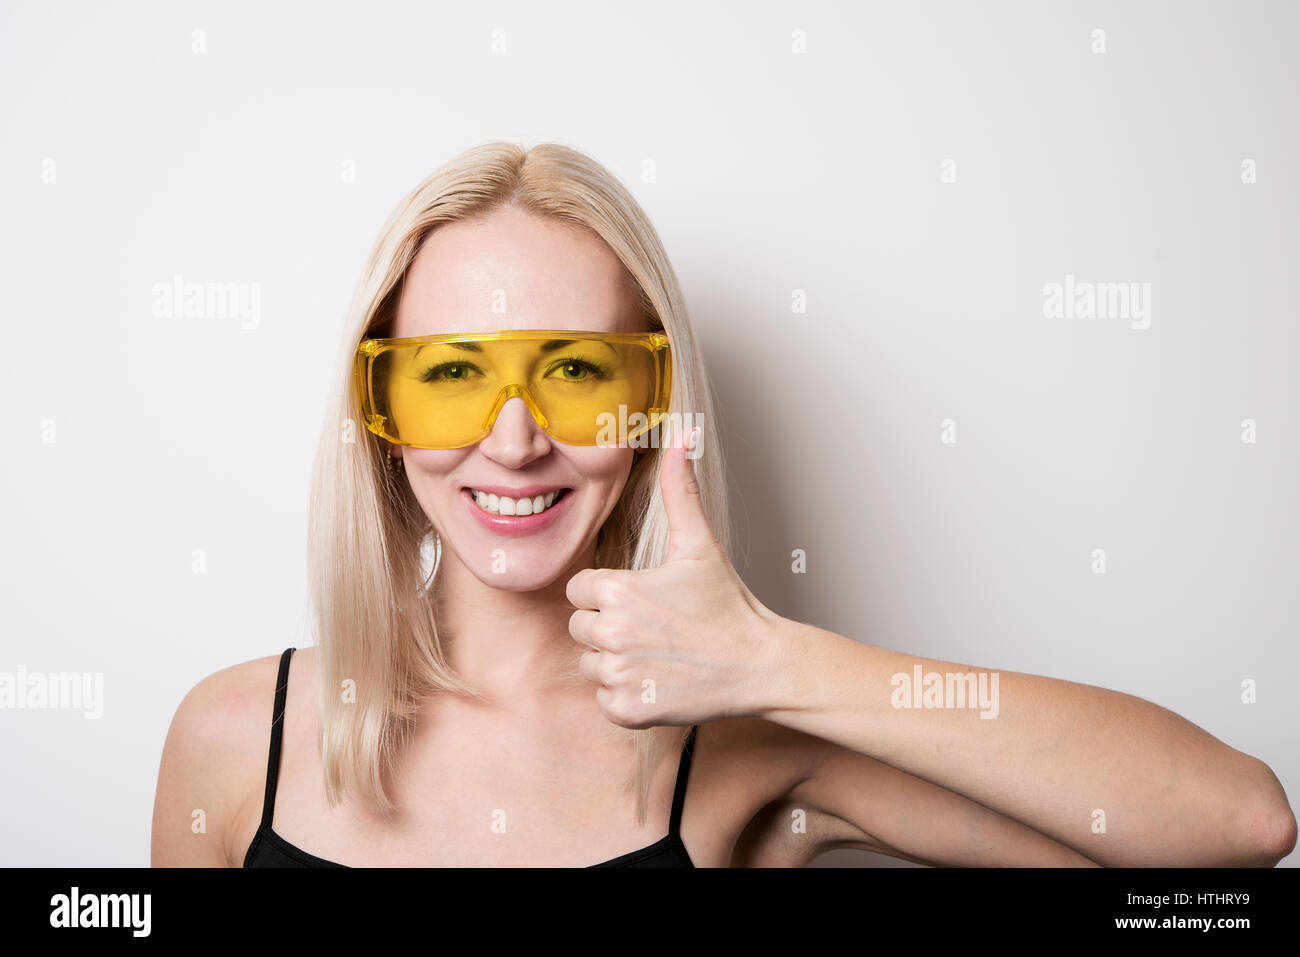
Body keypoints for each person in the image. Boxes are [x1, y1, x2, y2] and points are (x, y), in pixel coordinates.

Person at [151, 141, 1296, 867]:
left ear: (654, 404)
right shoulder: (230, 738)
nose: (514, 437)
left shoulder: (751, 741)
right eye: (453, 372)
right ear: (383, 409)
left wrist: (770, 659)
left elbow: (1236, 826)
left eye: (578, 373)